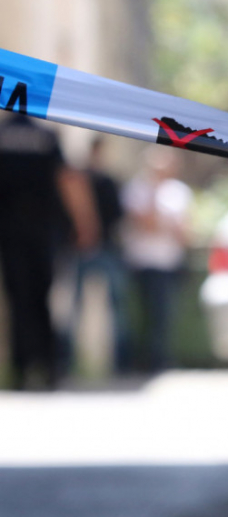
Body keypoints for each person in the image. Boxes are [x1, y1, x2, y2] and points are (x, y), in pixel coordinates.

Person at [0, 113, 98, 390]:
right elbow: (68, 180)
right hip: (44, 232)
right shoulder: (46, 136)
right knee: (44, 297)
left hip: (10, 232)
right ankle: (49, 365)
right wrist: (85, 224)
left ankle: (21, 368)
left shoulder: (2, 134)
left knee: (18, 299)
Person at [122, 146, 192, 372]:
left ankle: (159, 359)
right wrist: (155, 195)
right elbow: (146, 224)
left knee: (164, 314)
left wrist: (165, 226)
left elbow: (184, 232)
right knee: (143, 314)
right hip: (143, 262)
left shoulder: (179, 191)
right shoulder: (137, 188)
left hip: (169, 262)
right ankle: (141, 360)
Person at [67, 136, 131, 373]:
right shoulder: (79, 179)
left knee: (116, 304)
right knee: (75, 305)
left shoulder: (108, 181)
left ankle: (122, 360)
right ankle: (66, 360)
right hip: (82, 248)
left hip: (105, 247)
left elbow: (118, 216)